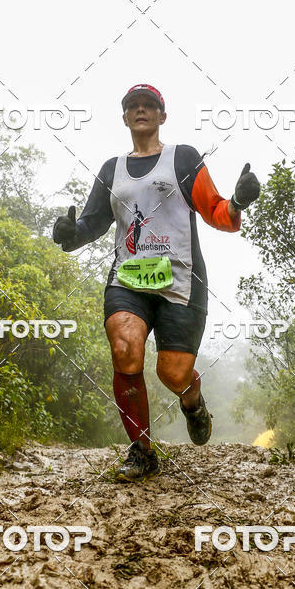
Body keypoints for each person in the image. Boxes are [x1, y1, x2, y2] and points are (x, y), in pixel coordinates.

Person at [52, 83, 260, 480]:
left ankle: (193, 403)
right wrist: (69, 233)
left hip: (181, 280)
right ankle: (142, 450)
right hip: (128, 278)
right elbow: (91, 223)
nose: (141, 110)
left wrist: (237, 203)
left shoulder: (182, 159)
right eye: (133, 105)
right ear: (125, 117)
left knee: (173, 373)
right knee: (124, 346)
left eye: (150, 105)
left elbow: (215, 210)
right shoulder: (112, 169)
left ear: (162, 115)